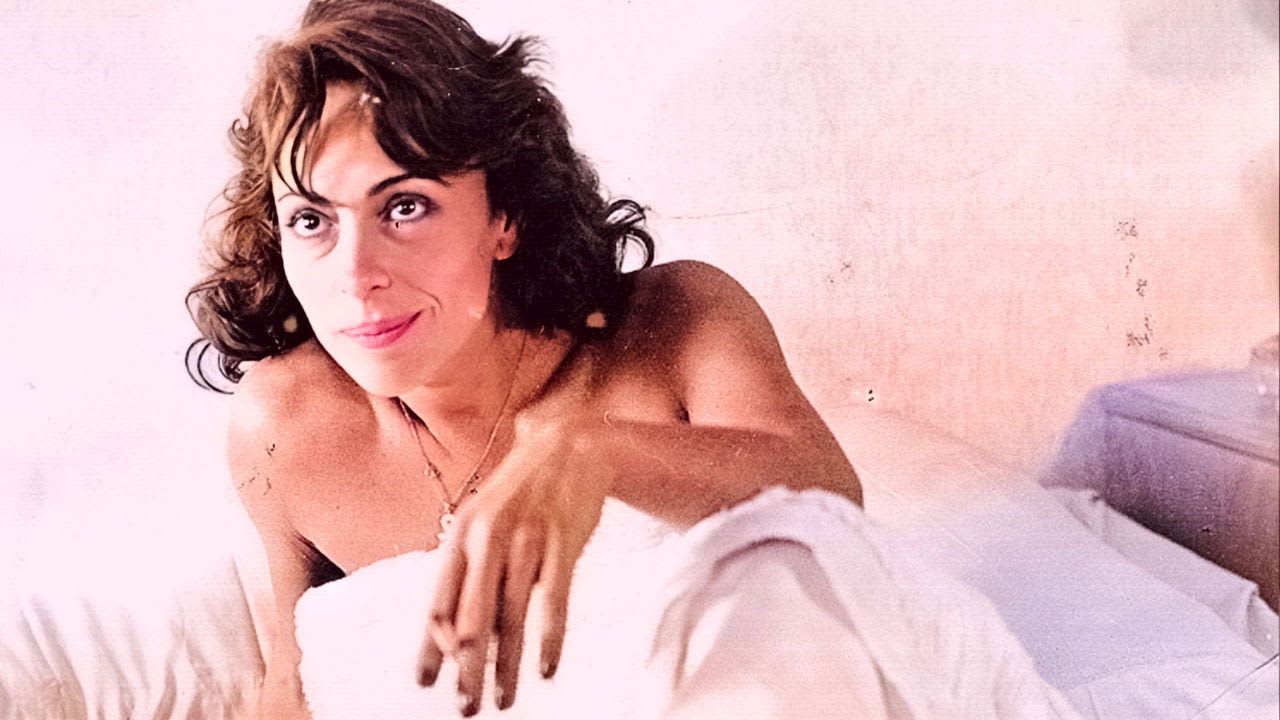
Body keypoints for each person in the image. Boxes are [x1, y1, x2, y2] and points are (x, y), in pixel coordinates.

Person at [185, 1, 861, 717]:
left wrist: (591, 451)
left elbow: (832, 503)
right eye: (311, 219)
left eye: (405, 206)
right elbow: (296, 682)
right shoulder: (285, 422)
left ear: (504, 215)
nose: (355, 276)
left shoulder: (677, 322)